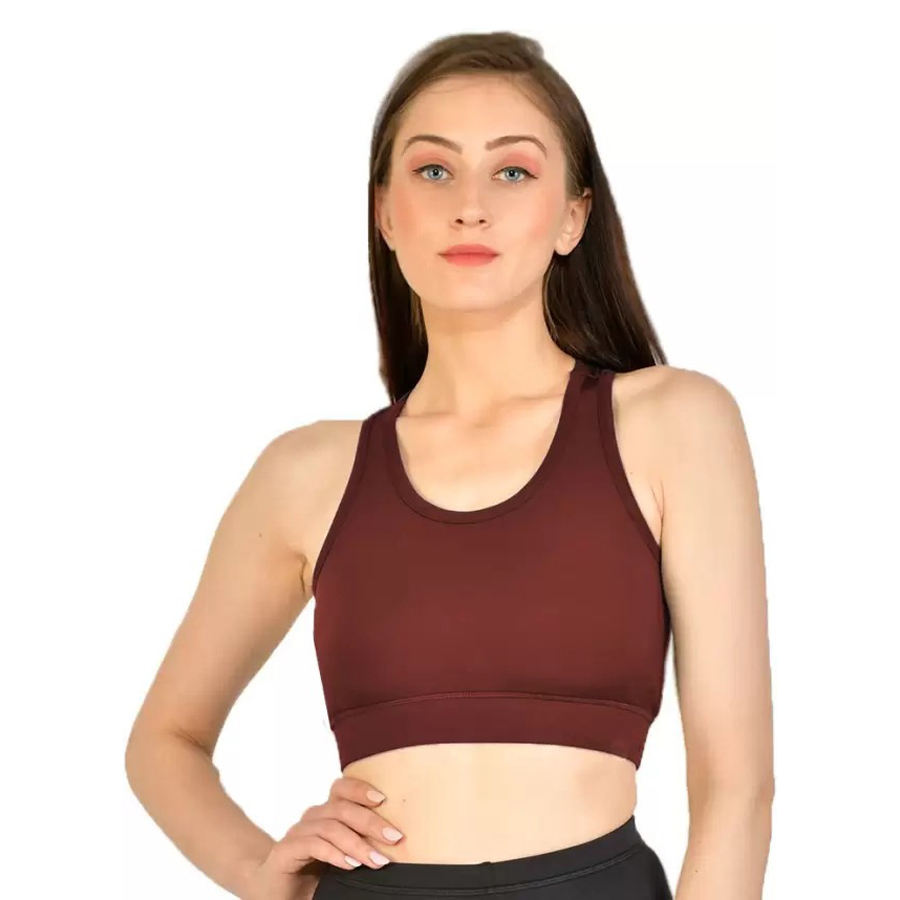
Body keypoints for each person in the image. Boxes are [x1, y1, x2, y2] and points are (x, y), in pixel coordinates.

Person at [125, 31, 774, 900]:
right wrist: (260, 870)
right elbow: (163, 741)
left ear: (573, 216)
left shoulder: (674, 424)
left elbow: (737, 791)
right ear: (386, 213)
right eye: (434, 170)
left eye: (513, 171)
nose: (471, 206)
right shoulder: (305, 474)